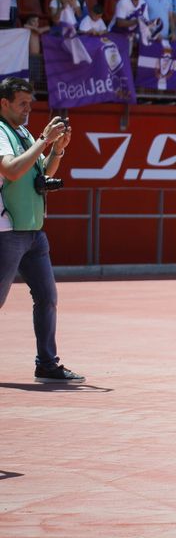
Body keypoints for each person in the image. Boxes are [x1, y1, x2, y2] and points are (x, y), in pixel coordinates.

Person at [0, 79, 82, 383]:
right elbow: (11, 170)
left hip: (34, 232)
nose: (27, 110)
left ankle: (47, 363)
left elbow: (41, 174)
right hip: (7, 230)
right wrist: (43, 141)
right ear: (4, 103)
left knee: (47, 297)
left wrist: (57, 151)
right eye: (21, 103)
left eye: (30, 104)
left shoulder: (21, 132)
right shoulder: (1, 131)